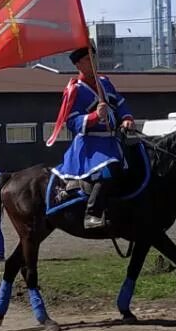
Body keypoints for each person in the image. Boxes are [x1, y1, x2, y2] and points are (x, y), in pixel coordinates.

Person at [50, 44, 135, 229]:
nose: (94, 63)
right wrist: (95, 116)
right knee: (108, 169)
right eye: (89, 59)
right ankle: (92, 213)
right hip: (90, 143)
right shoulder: (75, 90)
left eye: (94, 58)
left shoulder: (105, 82)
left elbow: (120, 103)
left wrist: (127, 118)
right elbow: (72, 122)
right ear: (78, 64)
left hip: (114, 140)